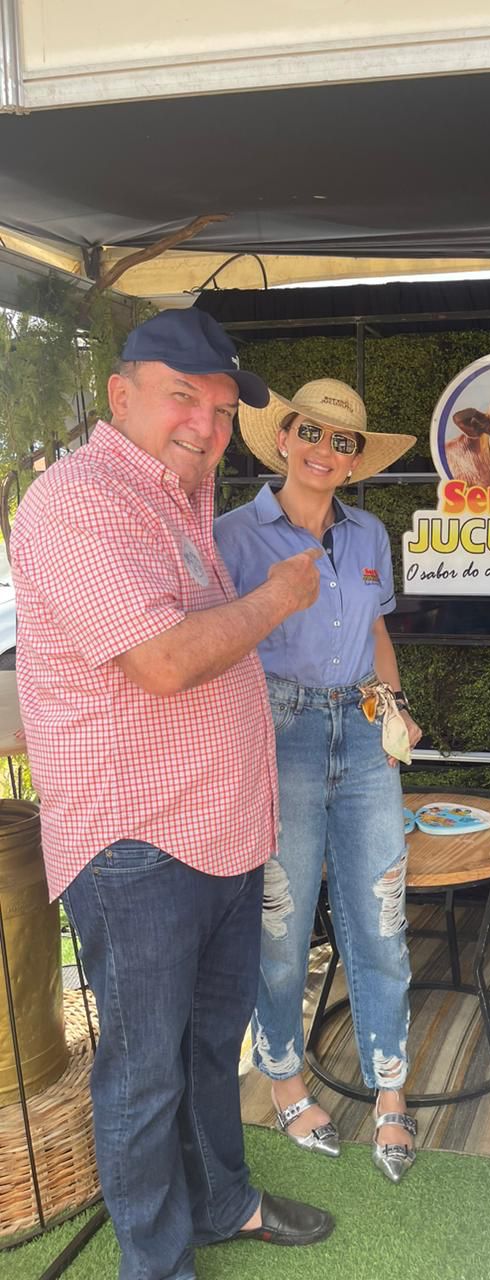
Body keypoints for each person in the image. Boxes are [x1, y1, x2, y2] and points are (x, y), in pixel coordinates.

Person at [11, 309, 336, 1280]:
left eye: (223, 406)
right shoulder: (78, 503)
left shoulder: (182, 499)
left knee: (206, 1051)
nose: (205, 422)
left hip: (221, 833)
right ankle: (154, 1263)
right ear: (122, 395)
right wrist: (279, 595)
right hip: (137, 848)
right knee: (144, 1076)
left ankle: (224, 1201)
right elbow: (158, 662)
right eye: (183, 397)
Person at [214, 378, 423, 1183]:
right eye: (312, 433)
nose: (325, 452)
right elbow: (214, 646)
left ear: (355, 459)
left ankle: (391, 1093)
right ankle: (285, 1079)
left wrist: (395, 715)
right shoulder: (233, 536)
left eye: (343, 442)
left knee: (381, 915)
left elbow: (374, 633)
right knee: (282, 923)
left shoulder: (369, 533)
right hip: (276, 731)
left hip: (366, 732)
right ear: (285, 436)